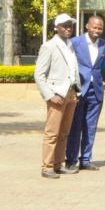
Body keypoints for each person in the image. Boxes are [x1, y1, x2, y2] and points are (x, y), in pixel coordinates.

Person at [35, 13, 81, 179]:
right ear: (57, 27)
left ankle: (58, 164)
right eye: (65, 26)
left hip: (71, 94)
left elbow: (72, 69)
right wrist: (50, 95)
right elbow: (39, 75)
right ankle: (47, 166)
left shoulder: (70, 45)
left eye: (70, 25)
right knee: (52, 133)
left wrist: (76, 91)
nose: (68, 28)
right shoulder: (49, 46)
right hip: (57, 95)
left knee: (64, 133)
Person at [66, 15, 105, 171]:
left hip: (95, 90)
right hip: (78, 89)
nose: (97, 30)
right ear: (87, 26)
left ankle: (86, 159)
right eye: (94, 27)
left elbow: (102, 67)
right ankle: (71, 160)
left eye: (100, 28)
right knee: (75, 126)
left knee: (90, 127)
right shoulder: (75, 42)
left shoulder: (104, 45)